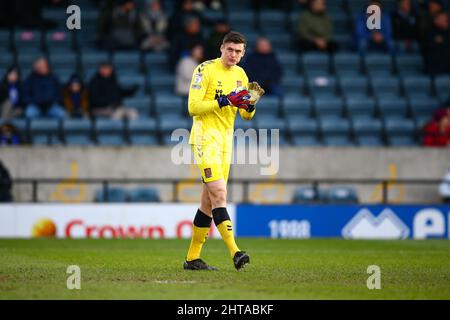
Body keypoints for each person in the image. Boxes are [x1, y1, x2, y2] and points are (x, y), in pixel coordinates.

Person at [184, 31, 264, 271]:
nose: (234, 55)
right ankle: (236, 252)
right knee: (219, 193)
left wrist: (250, 103)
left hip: (225, 144)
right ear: (221, 48)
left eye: (238, 51)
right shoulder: (204, 70)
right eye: (230, 49)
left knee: (208, 203)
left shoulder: (241, 75)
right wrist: (225, 100)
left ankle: (192, 258)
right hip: (204, 140)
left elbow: (246, 115)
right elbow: (193, 107)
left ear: (243, 53)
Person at [423, 11, 450, 75]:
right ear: (435, 20)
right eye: (442, 18)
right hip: (436, 66)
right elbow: (429, 47)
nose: (446, 20)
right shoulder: (430, 32)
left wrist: (443, 40)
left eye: (446, 18)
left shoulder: (448, 32)